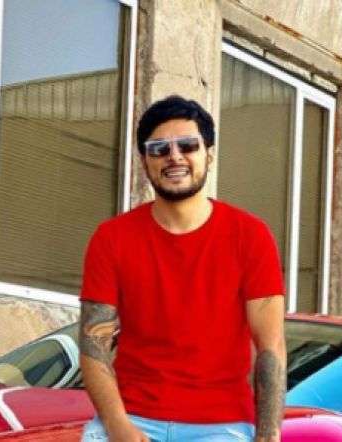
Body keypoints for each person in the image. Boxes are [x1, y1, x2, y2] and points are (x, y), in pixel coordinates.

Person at [79, 95, 286, 442]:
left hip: (221, 424)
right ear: (144, 161)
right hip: (132, 416)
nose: (174, 156)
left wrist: (268, 436)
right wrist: (117, 425)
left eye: (188, 145)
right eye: (159, 148)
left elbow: (271, 346)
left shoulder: (250, 236)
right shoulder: (112, 238)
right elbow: (93, 345)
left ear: (209, 155)